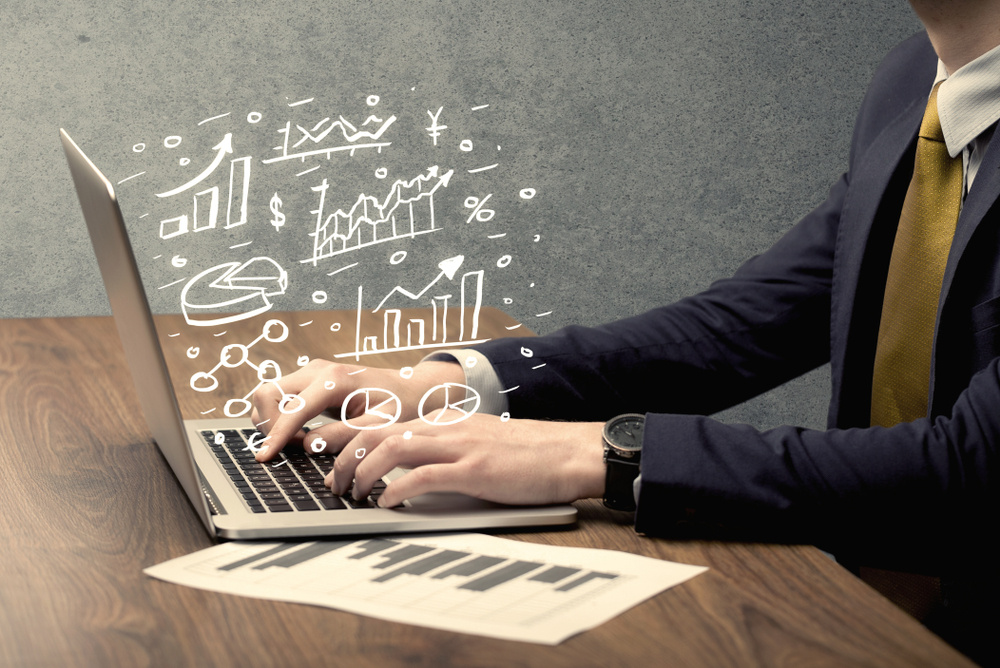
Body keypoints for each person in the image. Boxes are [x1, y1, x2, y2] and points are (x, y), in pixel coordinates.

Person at [252, 1, 1000, 662]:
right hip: (865, 618)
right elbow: (739, 326)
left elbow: (974, 472)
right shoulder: (915, 80)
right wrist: (451, 383)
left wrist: (600, 452)